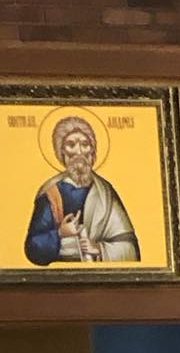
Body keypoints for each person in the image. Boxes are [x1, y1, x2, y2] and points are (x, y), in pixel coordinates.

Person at [25, 114, 140, 266]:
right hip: (60, 273)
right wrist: (60, 233)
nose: (79, 151)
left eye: (85, 144)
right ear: (62, 152)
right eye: (71, 144)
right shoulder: (51, 193)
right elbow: (33, 248)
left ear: (92, 151)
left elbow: (130, 247)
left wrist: (98, 248)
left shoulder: (105, 193)